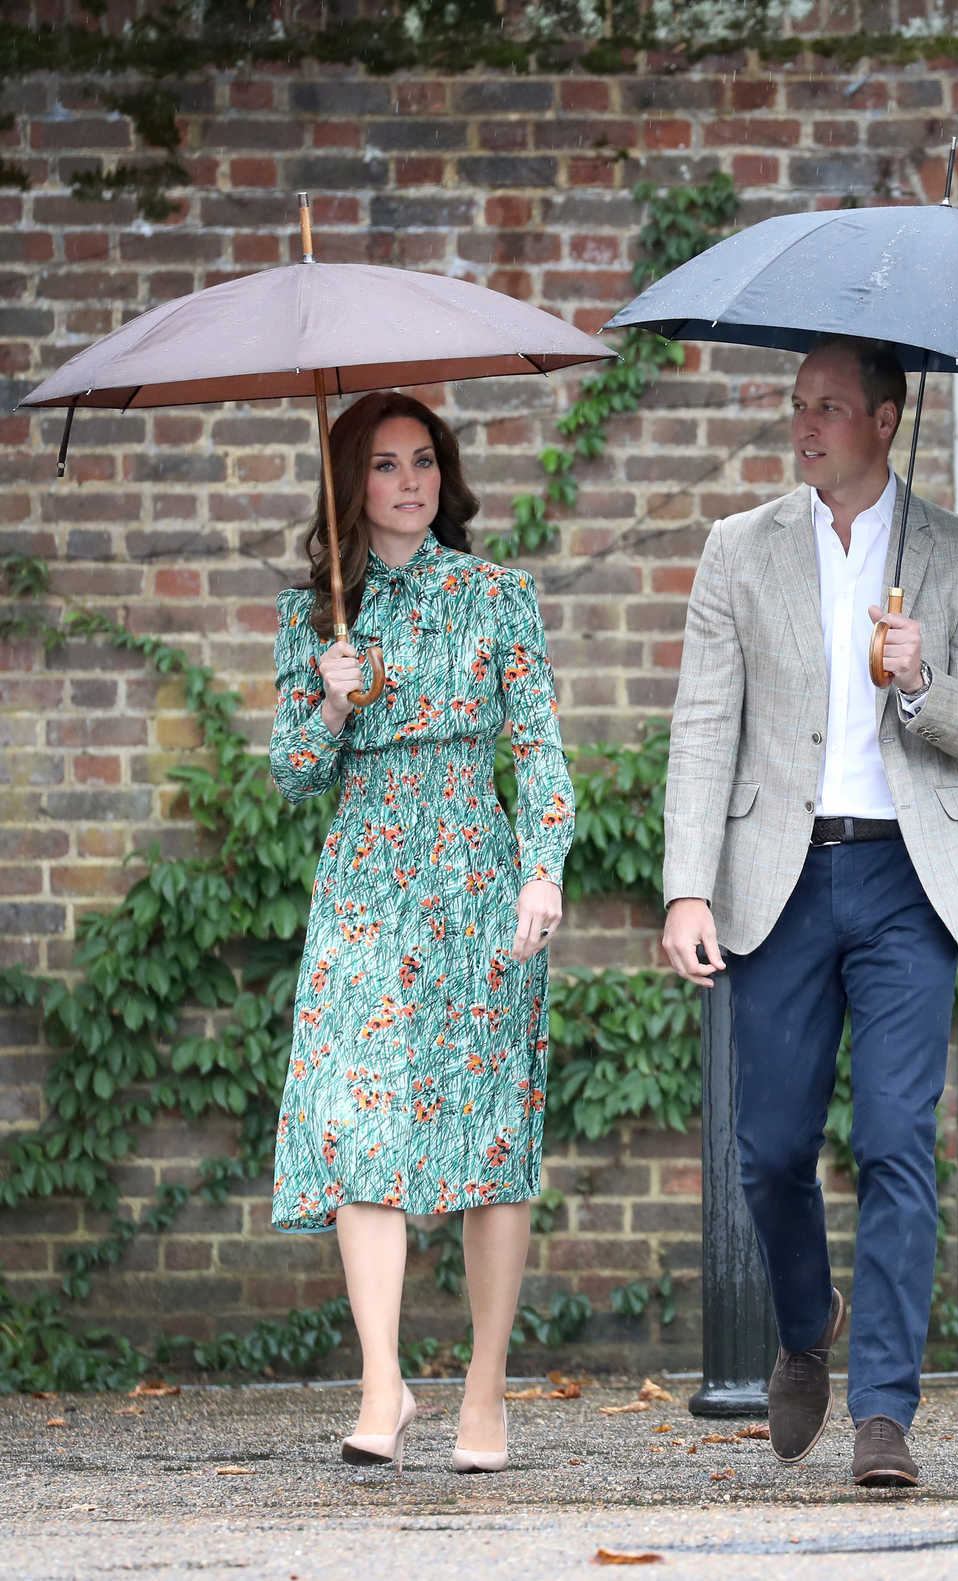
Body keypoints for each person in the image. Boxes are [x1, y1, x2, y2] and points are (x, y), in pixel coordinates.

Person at [661, 336, 958, 1488]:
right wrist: (685, 886)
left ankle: (884, 1415)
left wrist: (919, 681)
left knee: (897, 1144)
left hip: (907, 877)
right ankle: (803, 1324)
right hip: (780, 875)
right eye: (796, 405)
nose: (803, 425)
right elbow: (702, 727)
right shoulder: (738, 550)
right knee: (768, 1150)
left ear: (883, 416)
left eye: (827, 407)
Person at [268, 391, 574, 1474]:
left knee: (490, 1137)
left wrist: (542, 871)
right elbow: (294, 776)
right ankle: (381, 1385)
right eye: (387, 465)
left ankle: (484, 1394)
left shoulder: (498, 595)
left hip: (477, 878)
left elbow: (537, 749)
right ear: (351, 483)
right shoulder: (315, 615)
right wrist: (332, 705)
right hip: (363, 882)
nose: (410, 482)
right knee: (358, 1120)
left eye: (424, 462)